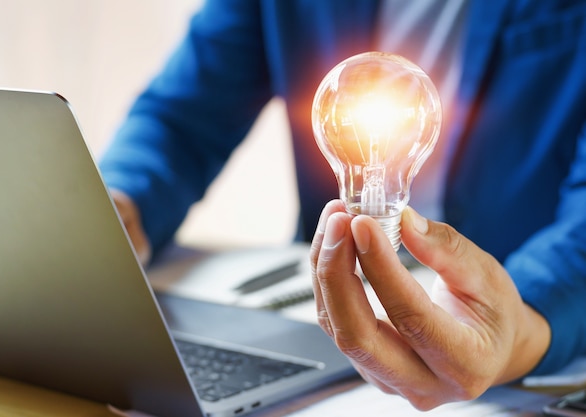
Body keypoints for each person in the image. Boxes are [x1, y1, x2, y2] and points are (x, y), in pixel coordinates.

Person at [99, 0, 586, 409]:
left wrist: (523, 321)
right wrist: (121, 206)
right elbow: (183, 116)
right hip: (323, 317)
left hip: (527, 330)